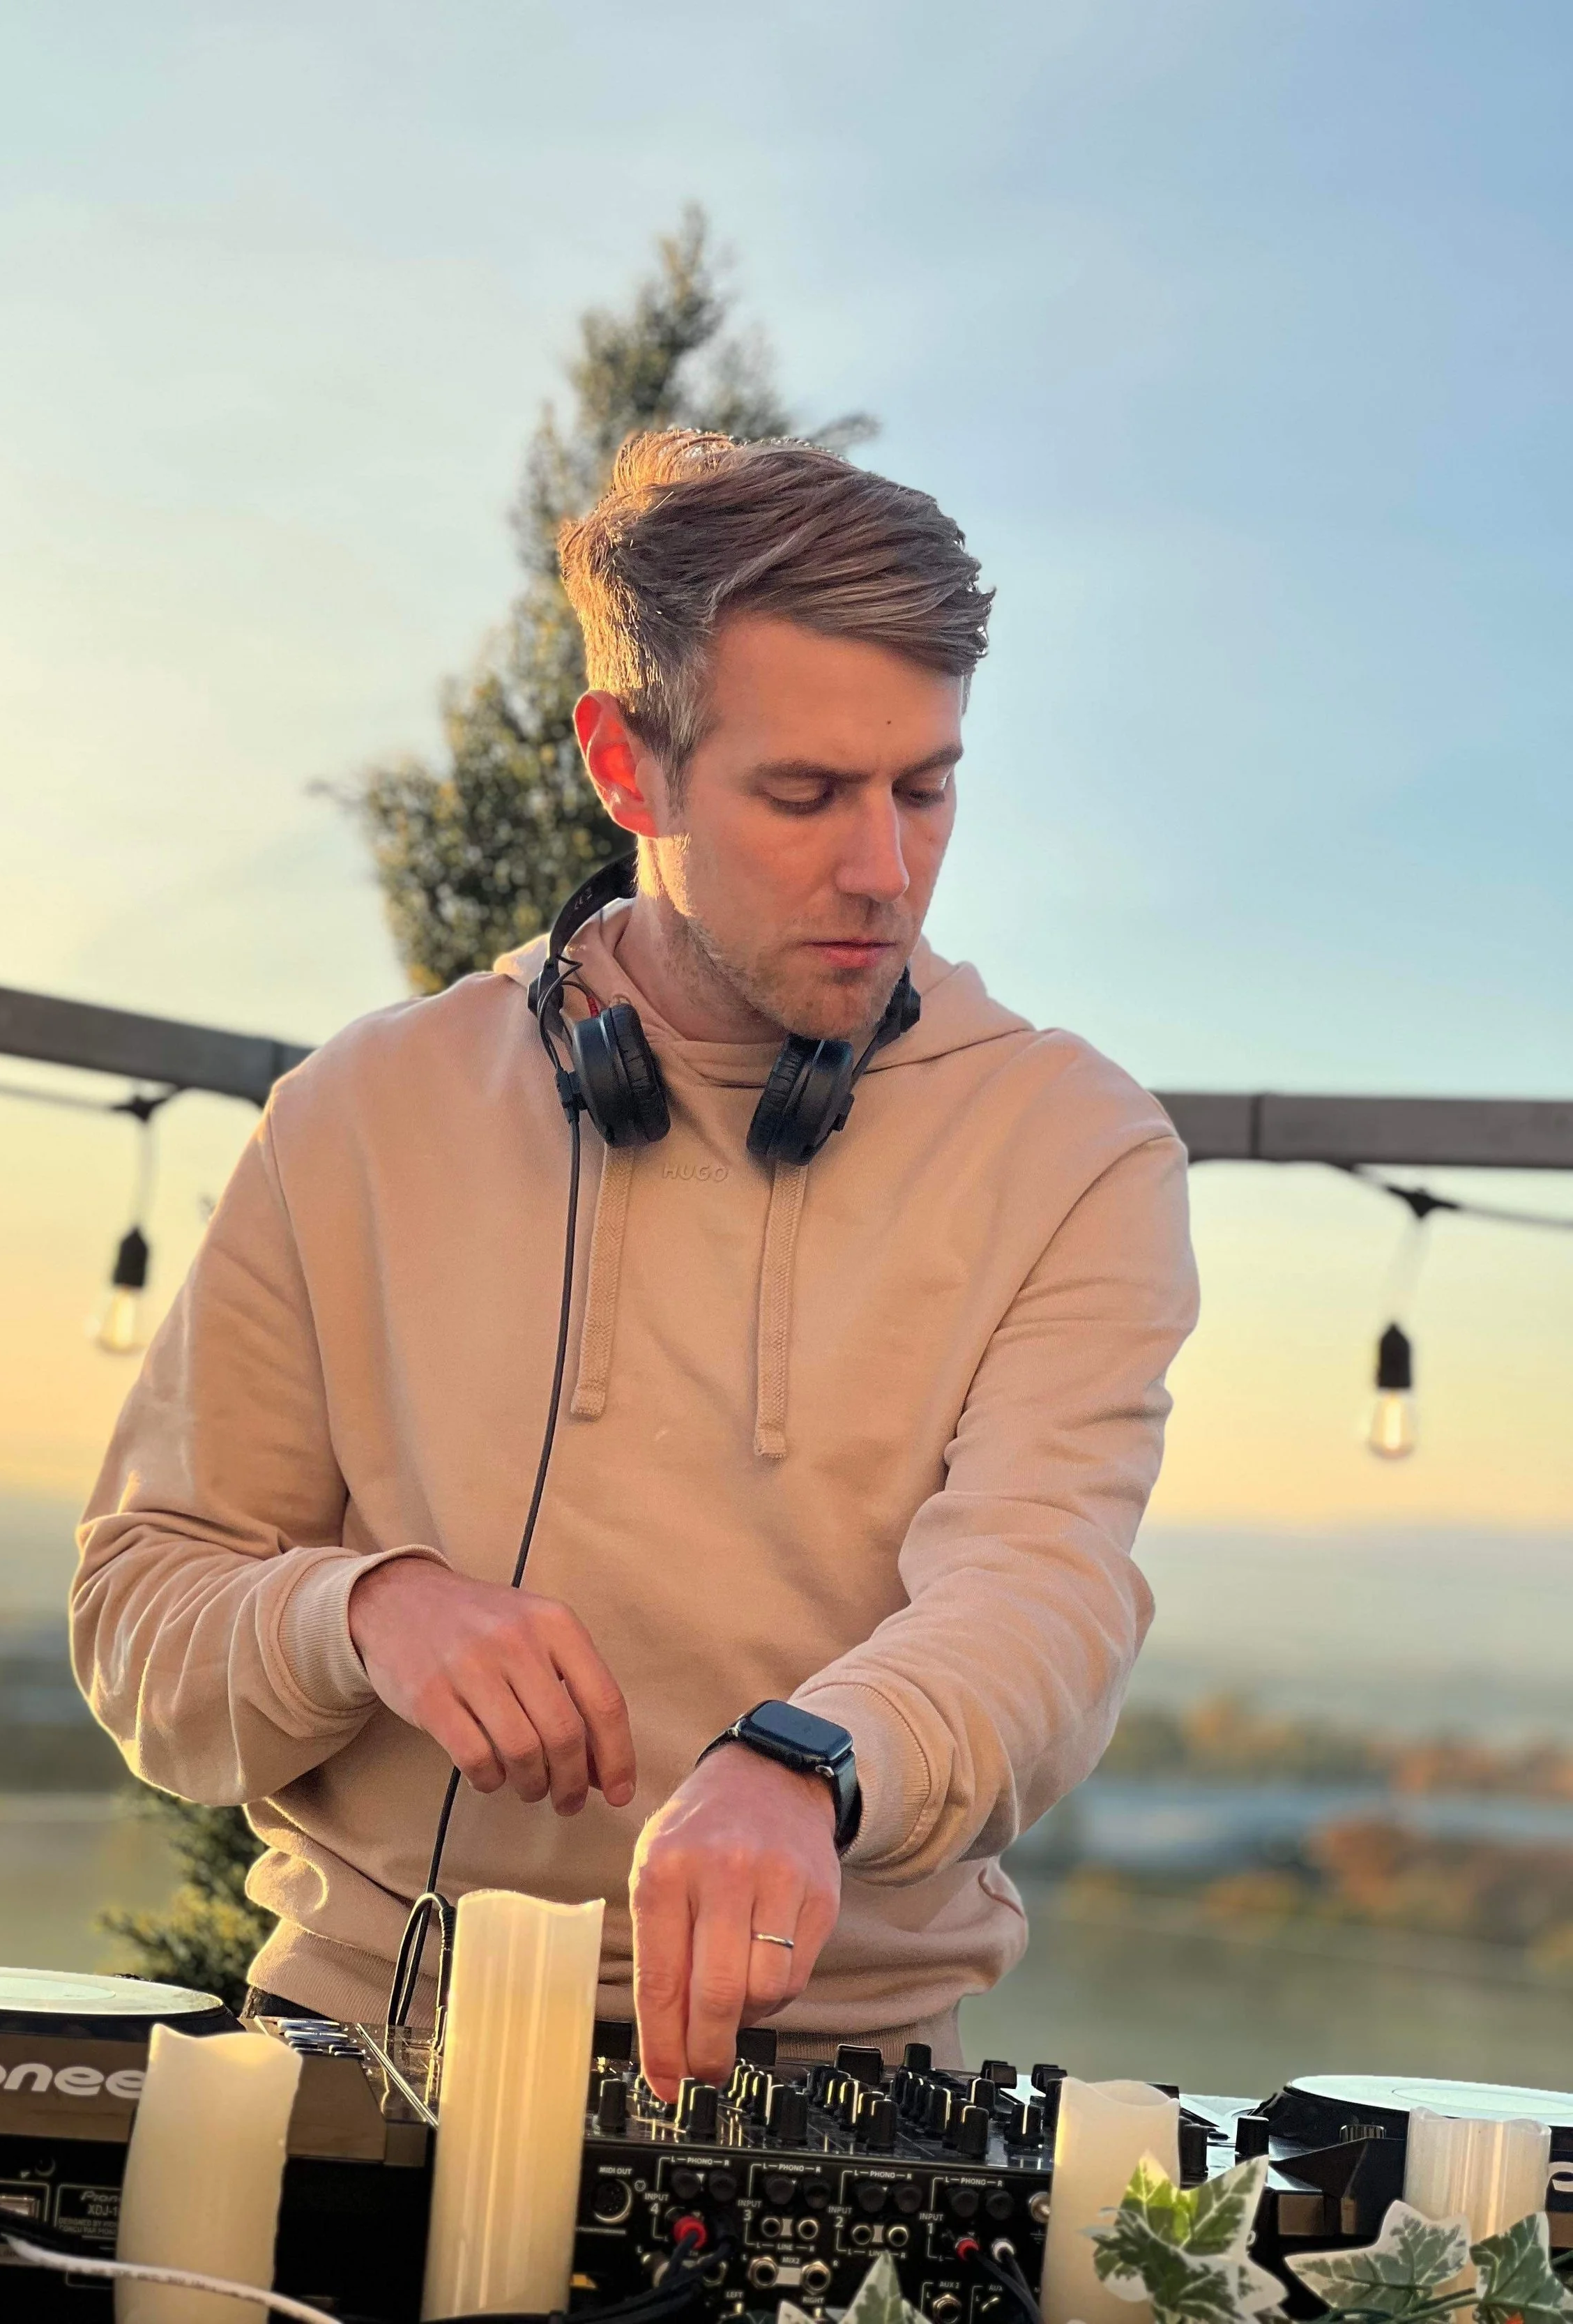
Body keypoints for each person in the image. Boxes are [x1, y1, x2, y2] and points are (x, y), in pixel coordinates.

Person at [73, 430, 1197, 2099]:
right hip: (356, 2046)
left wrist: (811, 1760)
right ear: (627, 765)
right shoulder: (360, 1115)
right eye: (804, 794)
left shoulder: (1075, 1148)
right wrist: (358, 1610)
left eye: (925, 786)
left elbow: (1039, 1598)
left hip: (840, 2092)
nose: (882, 868)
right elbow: (140, 1623)